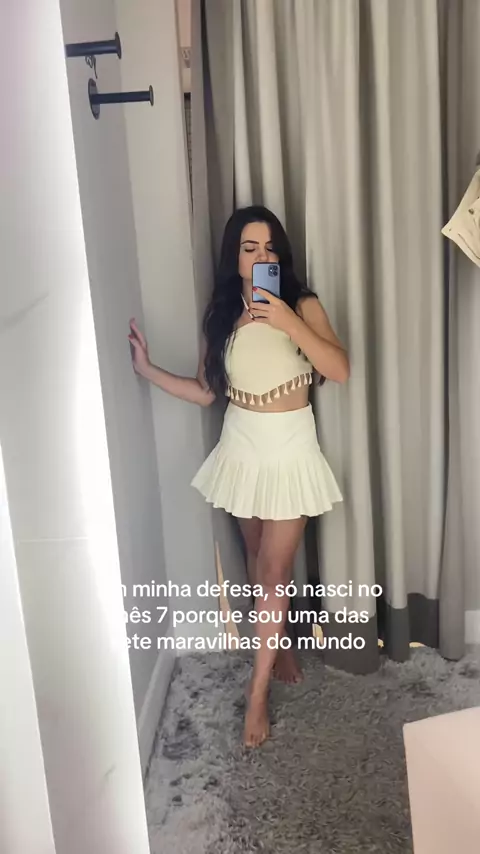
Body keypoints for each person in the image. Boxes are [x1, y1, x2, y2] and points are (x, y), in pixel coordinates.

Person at [128, 206, 349, 748]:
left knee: (274, 572)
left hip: (290, 446)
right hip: (241, 444)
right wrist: (147, 370)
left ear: (280, 255)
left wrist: (287, 321)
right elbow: (207, 392)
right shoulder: (222, 313)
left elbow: (339, 369)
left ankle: (256, 693)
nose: (261, 256)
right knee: (255, 557)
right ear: (235, 256)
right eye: (250, 248)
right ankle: (281, 643)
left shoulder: (302, 304)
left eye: (269, 247)